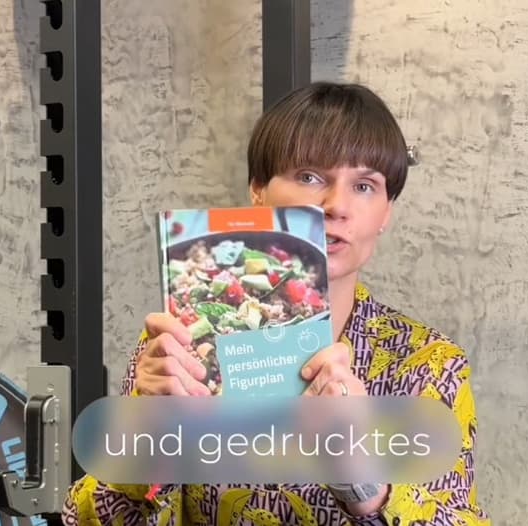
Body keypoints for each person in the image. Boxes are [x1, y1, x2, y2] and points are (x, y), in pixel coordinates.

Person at [61, 81, 490, 525]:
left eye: (365, 186)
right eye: (310, 177)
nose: (336, 205)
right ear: (258, 191)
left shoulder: (428, 365)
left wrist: (366, 485)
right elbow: (83, 518)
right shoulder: (184, 344)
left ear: (386, 213)